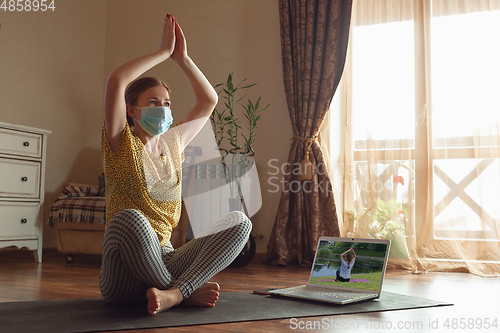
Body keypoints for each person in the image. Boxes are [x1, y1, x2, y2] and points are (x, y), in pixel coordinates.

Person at [99, 13, 252, 315]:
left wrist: (183, 58)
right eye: (153, 102)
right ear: (131, 110)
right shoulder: (120, 142)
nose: (163, 109)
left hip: (164, 258)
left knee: (240, 221)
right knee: (129, 218)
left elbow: (209, 100)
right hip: (122, 278)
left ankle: (175, 293)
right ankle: (184, 291)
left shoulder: (173, 143)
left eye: (167, 103)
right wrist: (162, 53)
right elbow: (116, 80)